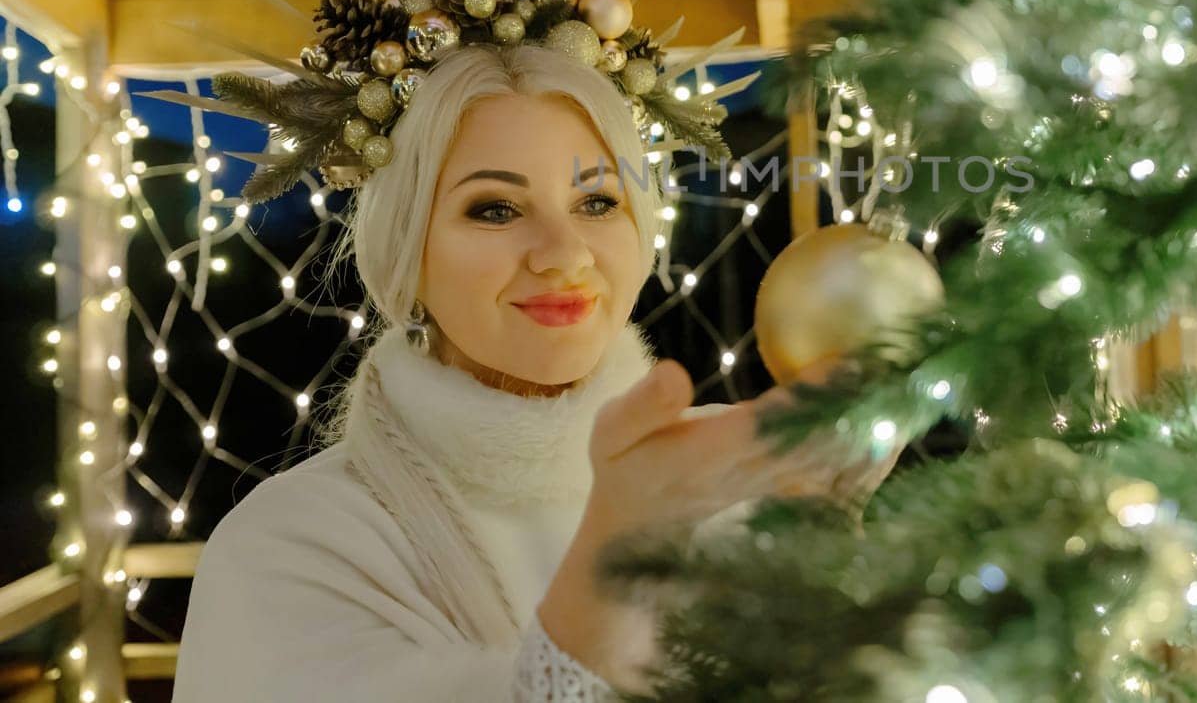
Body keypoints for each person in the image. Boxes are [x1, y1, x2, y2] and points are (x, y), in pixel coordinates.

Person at [170, 40, 893, 701]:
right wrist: (621, 551)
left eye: (597, 201)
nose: (563, 252)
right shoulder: (292, 544)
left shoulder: (728, 478)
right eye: (495, 208)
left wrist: (817, 542)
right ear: (407, 250)